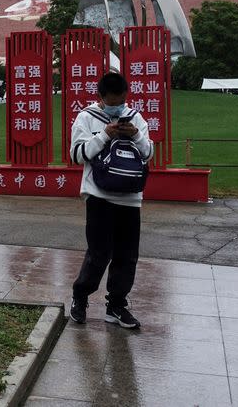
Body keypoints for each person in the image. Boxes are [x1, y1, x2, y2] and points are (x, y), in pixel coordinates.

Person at [68, 72, 153, 329]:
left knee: (127, 256)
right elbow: (77, 155)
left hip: (130, 198)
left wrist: (136, 135)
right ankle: (80, 297)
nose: (118, 106)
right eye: (113, 101)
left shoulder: (135, 117)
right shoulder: (86, 117)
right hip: (98, 196)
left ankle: (116, 305)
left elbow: (148, 154)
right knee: (98, 253)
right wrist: (105, 134)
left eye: (122, 100)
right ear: (100, 97)